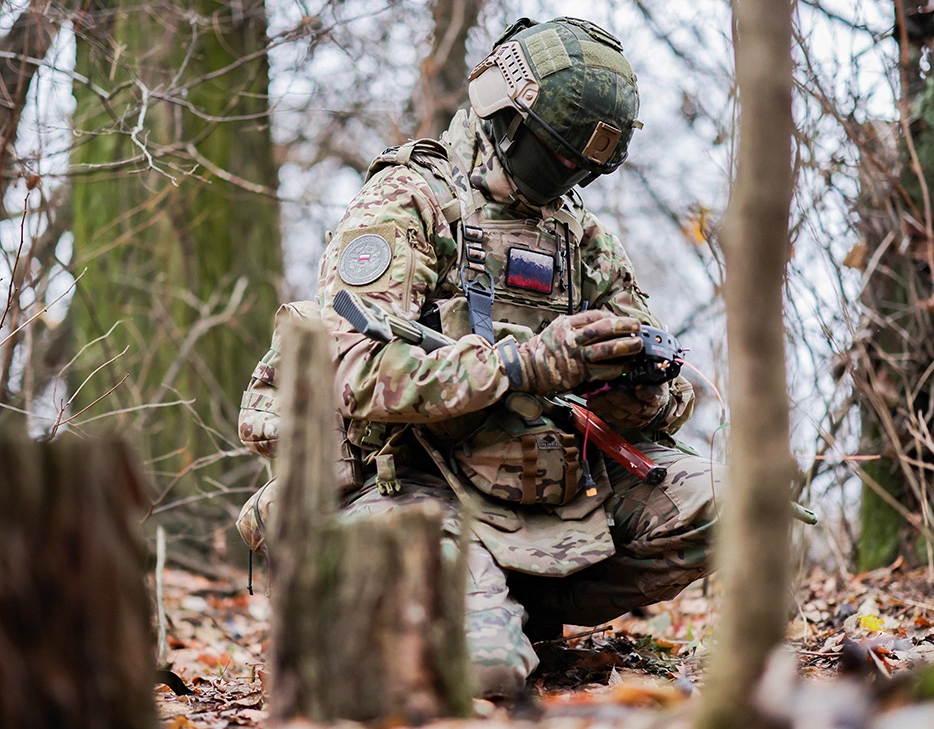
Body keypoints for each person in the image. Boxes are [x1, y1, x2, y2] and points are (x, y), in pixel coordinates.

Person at [236, 16, 723, 697]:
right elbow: (353, 374)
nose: (571, 177)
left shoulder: (579, 237)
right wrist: (523, 365)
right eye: (561, 157)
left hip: (545, 492)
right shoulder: (410, 201)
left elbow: (669, 390)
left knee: (732, 503)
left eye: (589, 167)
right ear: (509, 117)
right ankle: (468, 612)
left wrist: (633, 385)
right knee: (483, 674)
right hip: (411, 489)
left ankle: (516, 605)